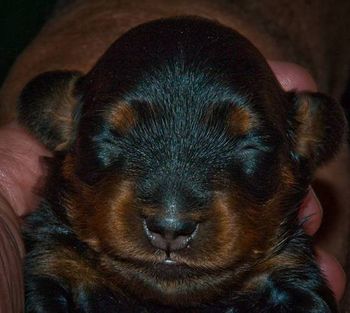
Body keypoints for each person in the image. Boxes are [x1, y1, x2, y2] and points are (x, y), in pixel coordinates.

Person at [0, 61, 346, 312]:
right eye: (113, 137)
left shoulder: (273, 267)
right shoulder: (63, 263)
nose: (171, 217)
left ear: (305, 141)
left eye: (249, 145)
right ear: (61, 125)